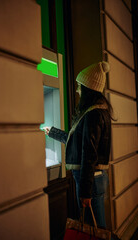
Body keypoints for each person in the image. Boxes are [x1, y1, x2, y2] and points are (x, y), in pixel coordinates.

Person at [43, 61, 113, 229]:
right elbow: (80, 142)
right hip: (94, 178)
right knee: (95, 227)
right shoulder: (99, 111)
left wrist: (85, 191)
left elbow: (89, 153)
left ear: (88, 90)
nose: (77, 90)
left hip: (89, 179)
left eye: (79, 87)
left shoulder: (93, 114)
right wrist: (52, 131)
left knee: (95, 229)